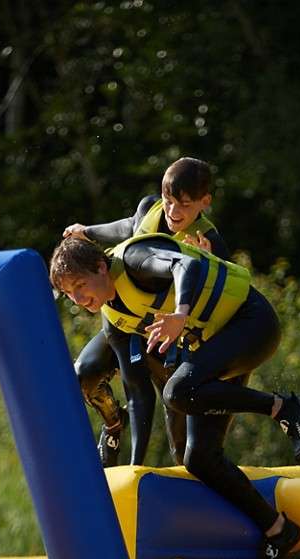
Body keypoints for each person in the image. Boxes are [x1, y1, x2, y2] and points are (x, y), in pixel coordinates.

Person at [48, 234, 300, 559]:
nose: (77, 298)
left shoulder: (133, 261)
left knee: (177, 391)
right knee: (199, 457)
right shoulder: (114, 318)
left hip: (252, 324)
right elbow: (137, 391)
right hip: (215, 348)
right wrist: (135, 468)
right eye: (69, 293)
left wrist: (180, 314)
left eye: (80, 285)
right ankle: (278, 530)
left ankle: (281, 407)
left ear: (101, 267)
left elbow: (184, 263)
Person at [62, 157, 227, 467]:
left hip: (170, 337)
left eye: (184, 205)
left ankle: (193, 498)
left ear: (204, 204)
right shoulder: (150, 208)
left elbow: (224, 299)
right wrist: (87, 231)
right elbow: (127, 227)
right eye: (169, 202)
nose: (174, 212)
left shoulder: (210, 241)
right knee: (84, 374)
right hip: (127, 323)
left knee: (182, 444)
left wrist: (210, 264)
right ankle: (113, 425)